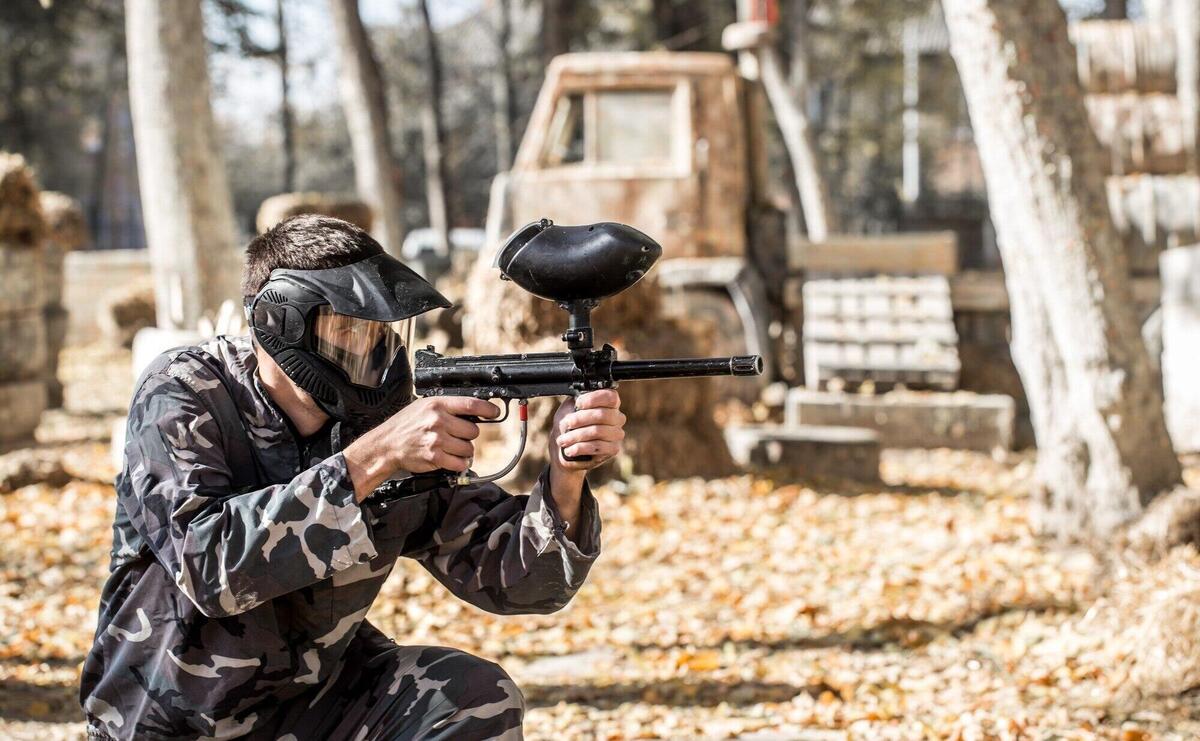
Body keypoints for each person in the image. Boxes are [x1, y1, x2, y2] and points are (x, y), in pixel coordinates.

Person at [79, 215, 626, 740]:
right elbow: (210, 567)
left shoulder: (379, 425)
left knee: (474, 697)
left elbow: (524, 582)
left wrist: (565, 477)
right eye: (345, 331)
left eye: (376, 333)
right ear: (281, 323)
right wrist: (374, 459)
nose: (368, 352)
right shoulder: (186, 393)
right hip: (169, 723)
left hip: (310, 709)